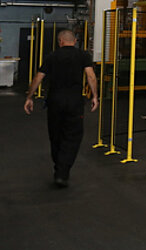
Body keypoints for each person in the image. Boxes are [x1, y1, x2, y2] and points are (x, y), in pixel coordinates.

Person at [24, 29, 98, 188]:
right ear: (75, 41)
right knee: (73, 136)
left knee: (55, 135)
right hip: (74, 102)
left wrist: (29, 97)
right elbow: (91, 76)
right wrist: (95, 96)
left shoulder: (52, 56)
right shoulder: (83, 55)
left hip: (55, 102)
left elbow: (38, 77)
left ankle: (59, 166)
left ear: (60, 42)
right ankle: (62, 172)